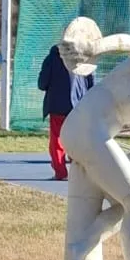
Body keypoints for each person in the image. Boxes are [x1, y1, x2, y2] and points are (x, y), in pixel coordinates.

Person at [37, 41, 94, 180]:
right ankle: (80, 172)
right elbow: (91, 82)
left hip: (57, 105)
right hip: (78, 105)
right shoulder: (84, 58)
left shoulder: (52, 57)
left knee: (57, 140)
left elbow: (42, 83)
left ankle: (61, 172)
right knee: (78, 139)